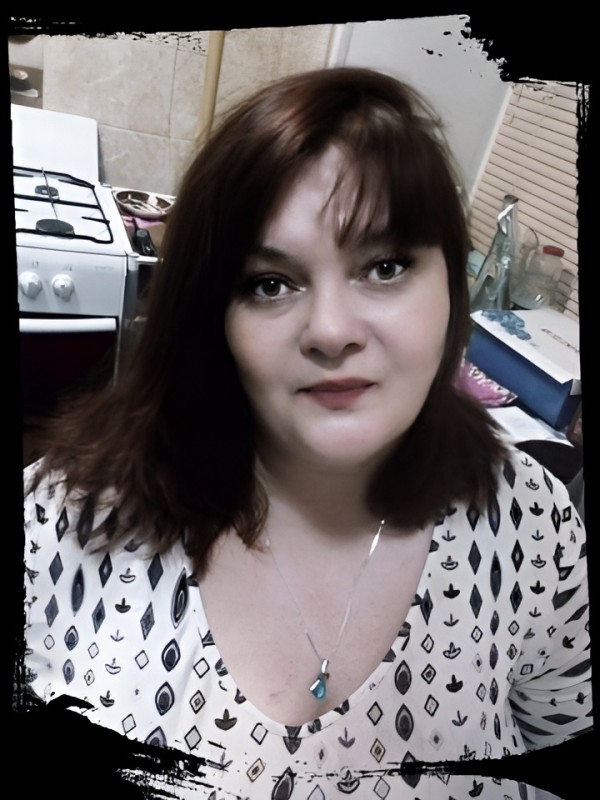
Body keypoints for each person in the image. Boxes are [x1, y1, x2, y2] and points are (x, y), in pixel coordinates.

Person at [19, 68, 591, 799]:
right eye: (270, 283)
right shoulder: (60, 524)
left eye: (384, 266)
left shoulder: (531, 521)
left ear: (452, 287)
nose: (330, 331)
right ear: (211, 318)